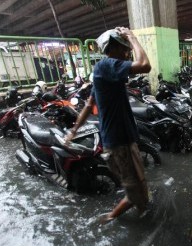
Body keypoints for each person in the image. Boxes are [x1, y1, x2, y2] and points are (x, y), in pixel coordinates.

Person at [65, 27, 151, 223]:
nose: (127, 52)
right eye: (124, 47)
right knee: (134, 193)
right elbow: (145, 65)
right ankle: (110, 218)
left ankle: (143, 209)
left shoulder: (105, 74)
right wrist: (132, 37)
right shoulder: (107, 65)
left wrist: (74, 130)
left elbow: (89, 105)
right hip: (120, 143)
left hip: (119, 142)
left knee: (139, 184)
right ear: (111, 48)